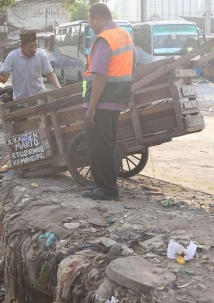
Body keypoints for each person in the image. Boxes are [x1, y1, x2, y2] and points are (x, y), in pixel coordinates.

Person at [81, 3, 137, 201]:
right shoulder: (124, 34)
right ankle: (104, 185)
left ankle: (108, 189)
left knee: (99, 146)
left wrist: (92, 108)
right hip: (116, 99)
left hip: (102, 102)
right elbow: (134, 60)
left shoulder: (104, 39)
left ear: (97, 18)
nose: (90, 26)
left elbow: (99, 77)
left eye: (90, 21)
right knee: (107, 144)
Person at [0, 30, 61, 101]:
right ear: (22, 46)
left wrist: (59, 88)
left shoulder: (41, 54)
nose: (34, 49)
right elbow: (3, 78)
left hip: (40, 98)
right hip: (20, 102)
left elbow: (50, 73)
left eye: (36, 45)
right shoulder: (13, 56)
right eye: (30, 46)